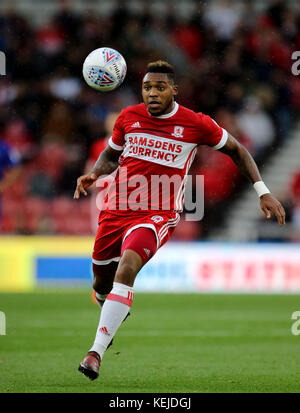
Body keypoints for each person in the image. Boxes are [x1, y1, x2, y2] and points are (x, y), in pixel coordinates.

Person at [74, 60, 286, 380]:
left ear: (175, 90)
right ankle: (111, 309)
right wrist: (94, 173)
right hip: (116, 208)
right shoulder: (128, 117)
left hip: (157, 213)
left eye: (160, 87)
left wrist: (263, 191)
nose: (152, 93)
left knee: (127, 267)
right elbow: (110, 154)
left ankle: (95, 353)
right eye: (147, 87)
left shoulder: (195, 123)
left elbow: (238, 150)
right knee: (101, 283)